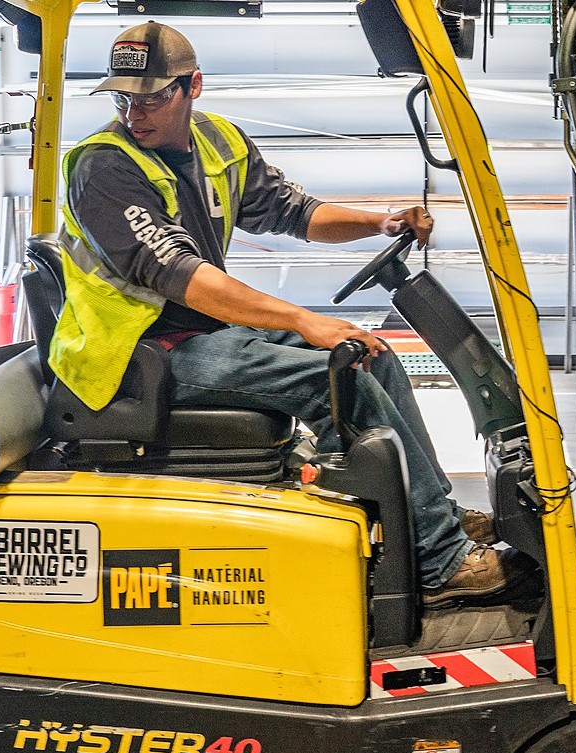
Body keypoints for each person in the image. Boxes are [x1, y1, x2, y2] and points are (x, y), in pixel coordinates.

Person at [52, 21, 507, 605]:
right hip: (138, 356)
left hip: (198, 334)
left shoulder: (217, 142)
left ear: (193, 86)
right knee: (336, 379)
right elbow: (182, 277)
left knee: (373, 355)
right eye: (123, 98)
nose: (134, 114)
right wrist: (301, 320)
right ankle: (438, 560)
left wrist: (378, 222)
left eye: (152, 98)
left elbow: (295, 212)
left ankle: (431, 514)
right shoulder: (104, 167)